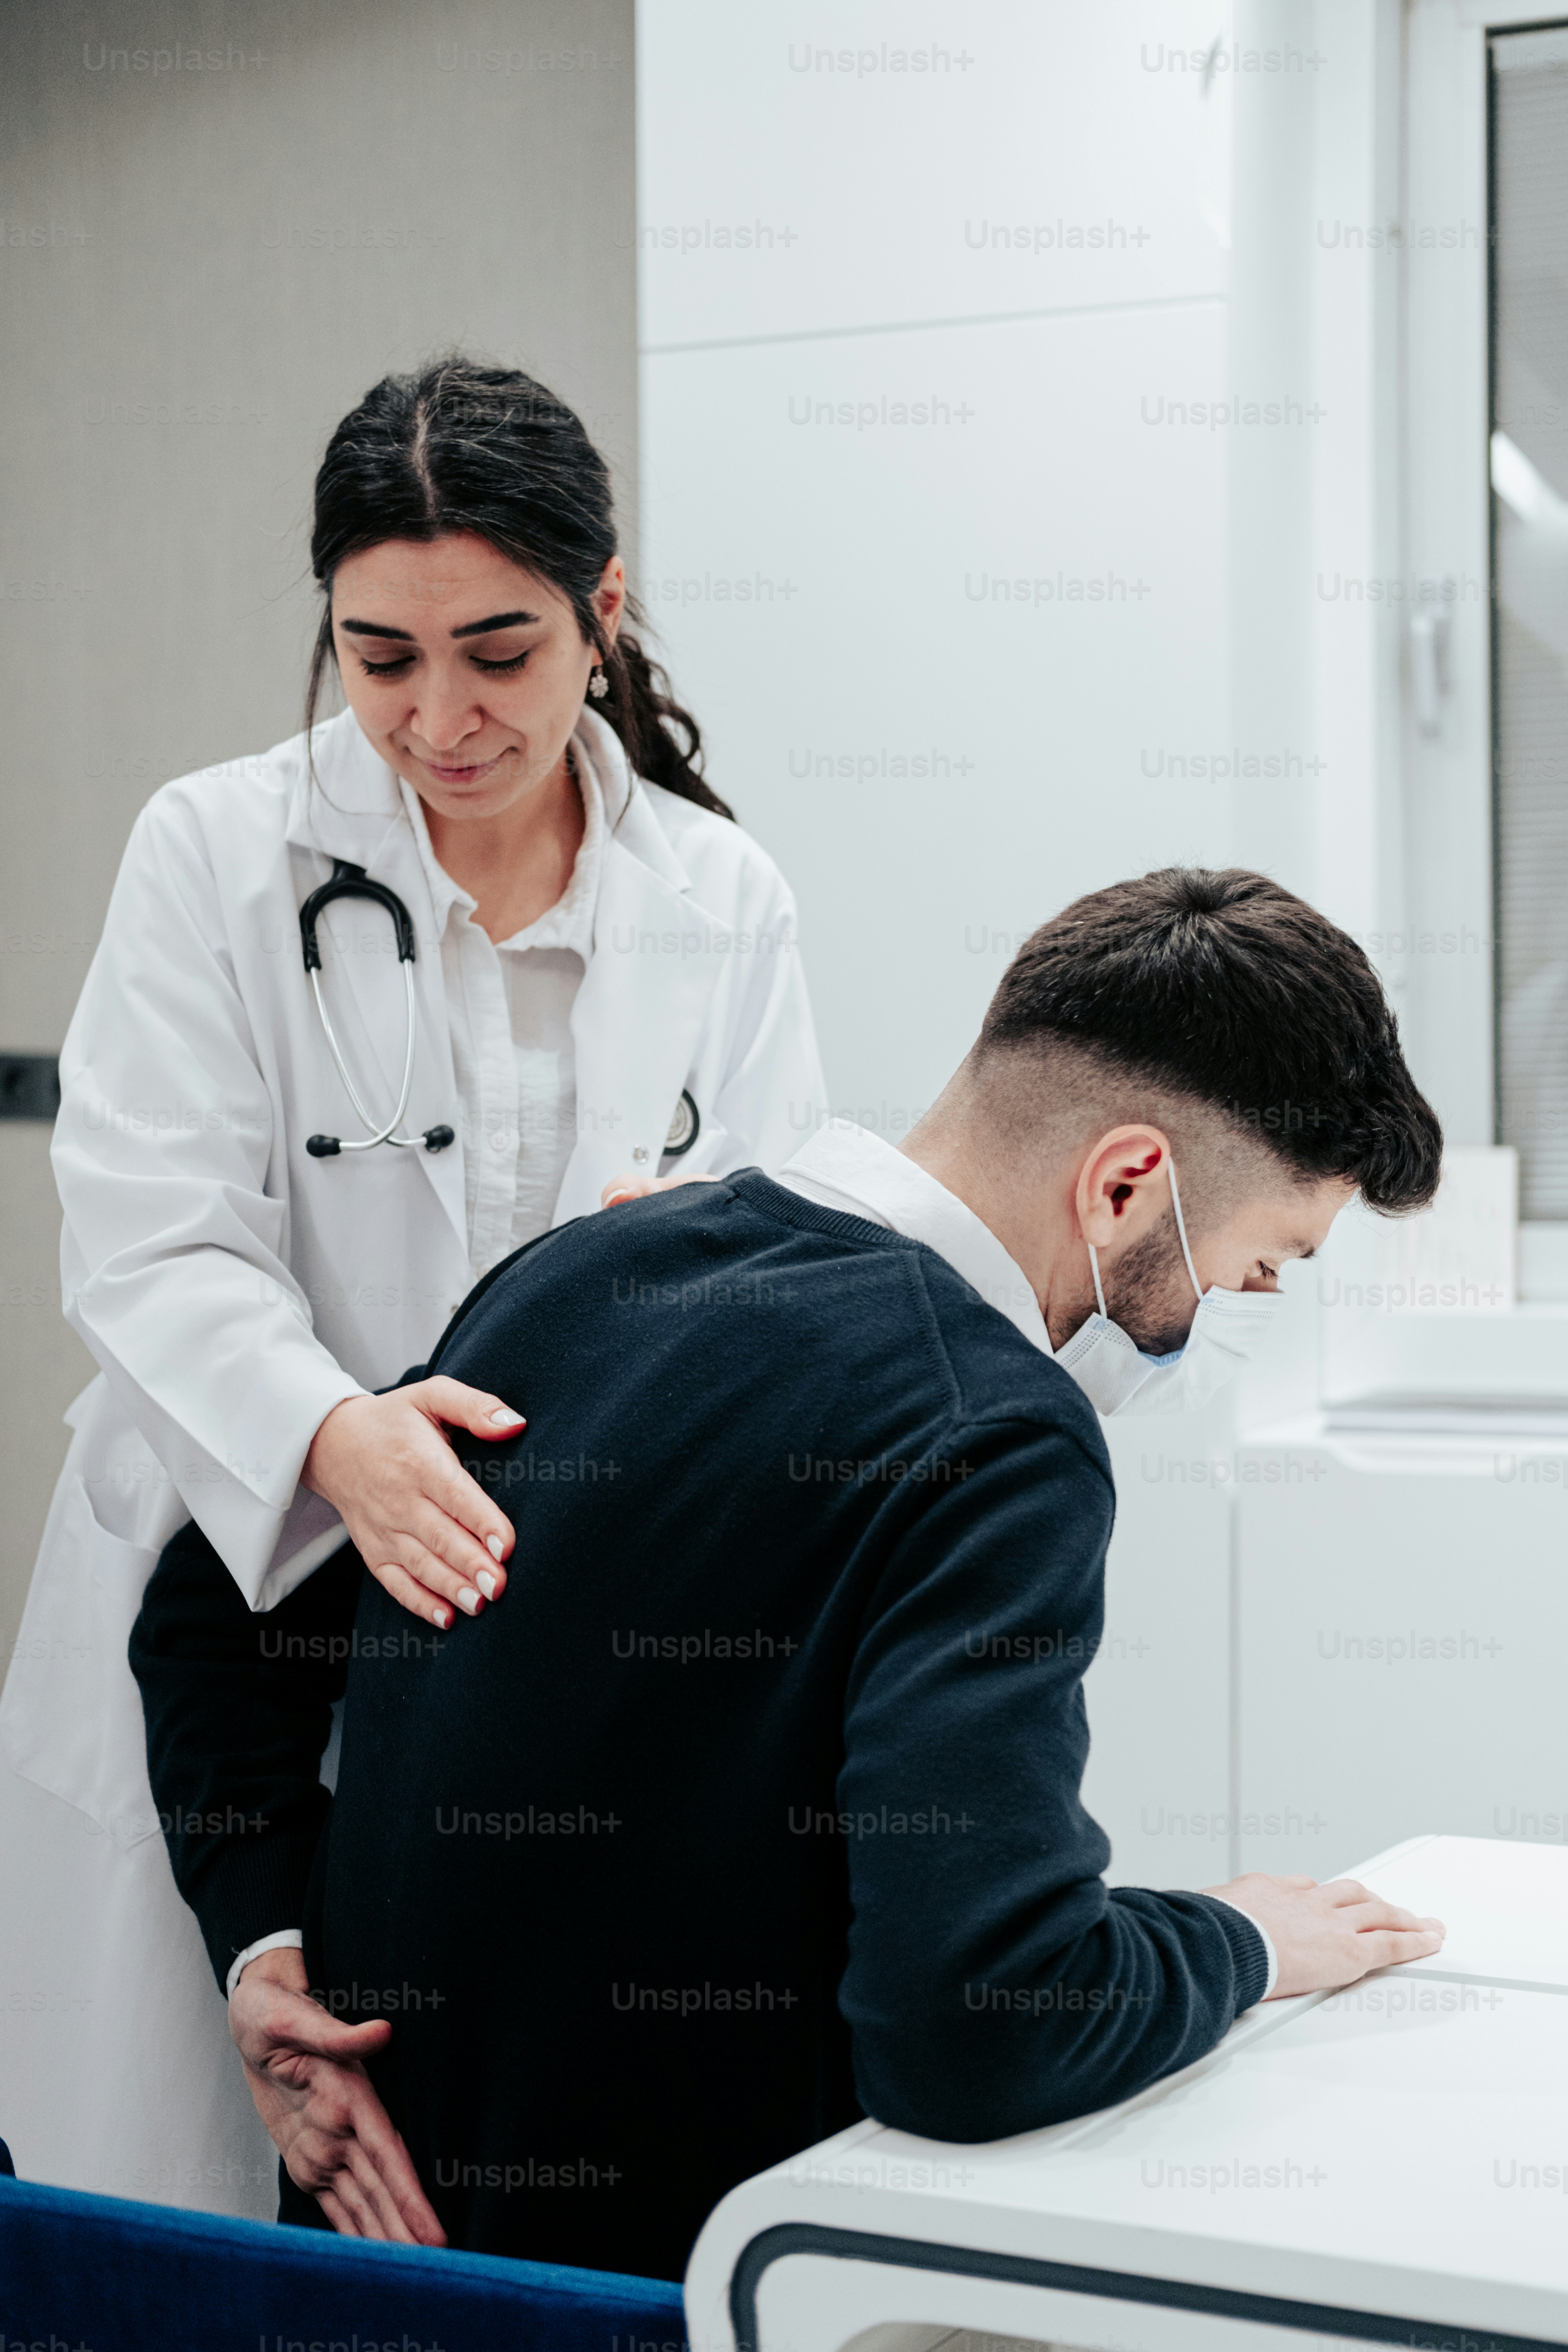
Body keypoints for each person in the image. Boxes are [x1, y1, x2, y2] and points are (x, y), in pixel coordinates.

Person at [132, 869, 1447, 2282]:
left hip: (364, 2277)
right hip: (673, 2289)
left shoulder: (585, 1267)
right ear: (1129, 1185)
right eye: (1260, 1265)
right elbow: (981, 2018)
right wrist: (1240, 1941)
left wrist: (264, 1946)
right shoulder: (998, 1435)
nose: (1232, 1312)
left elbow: (211, 1603)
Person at [0, 356, 825, 2216]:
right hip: (235, 1573)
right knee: (170, 2186)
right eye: (381, 658)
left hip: (530, 1620)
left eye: (501, 655)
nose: (438, 717)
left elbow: (770, 1268)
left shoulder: (722, 897)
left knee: (464, 2182)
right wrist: (335, 1430)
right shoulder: (214, 852)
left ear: (603, 613)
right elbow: (144, 1222)